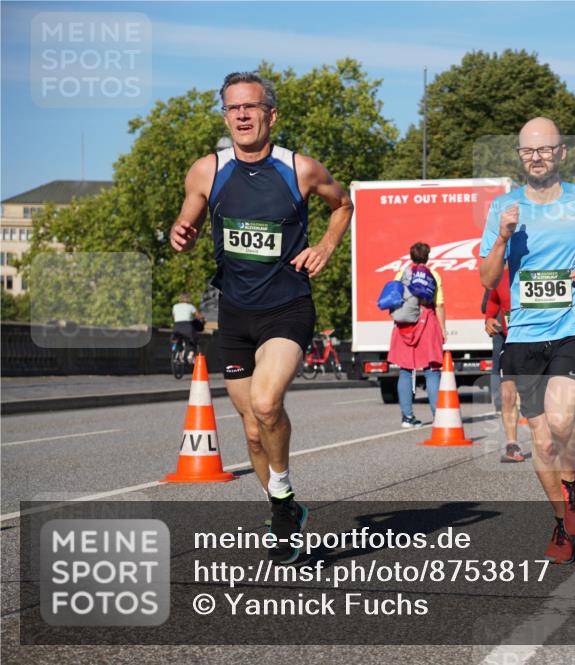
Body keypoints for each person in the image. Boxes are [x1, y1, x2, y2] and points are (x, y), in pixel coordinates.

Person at [170, 71, 352, 563]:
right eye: (233, 108)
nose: (242, 116)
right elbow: (188, 219)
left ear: (271, 114)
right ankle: (283, 508)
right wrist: (181, 232)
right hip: (234, 314)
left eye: (250, 107)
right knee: (252, 428)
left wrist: (325, 246)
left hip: (287, 306)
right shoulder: (207, 170)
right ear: (225, 116)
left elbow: (343, 205)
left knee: (267, 403)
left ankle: (283, 491)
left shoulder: (300, 168)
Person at [480, 117, 575, 564]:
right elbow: (487, 278)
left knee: (562, 420)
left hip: (573, 326)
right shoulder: (503, 207)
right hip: (523, 334)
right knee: (542, 444)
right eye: (528, 151)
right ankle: (563, 523)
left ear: (561, 152)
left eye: (545, 149)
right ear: (519, 156)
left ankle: (574, 482)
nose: (536, 157)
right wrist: (503, 238)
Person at [390, 242, 446, 428]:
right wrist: (443, 329)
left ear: (411, 256)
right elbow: (439, 305)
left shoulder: (401, 274)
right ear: (427, 257)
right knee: (432, 370)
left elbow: (395, 298)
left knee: (405, 370)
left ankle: (407, 417)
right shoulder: (434, 275)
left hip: (405, 323)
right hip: (427, 321)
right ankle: (438, 416)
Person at [484, 270, 524, 462]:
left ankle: (548, 441)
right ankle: (512, 445)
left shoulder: (540, 269)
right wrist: (489, 318)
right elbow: (493, 301)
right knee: (508, 394)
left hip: (538, 340)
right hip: (508, 339)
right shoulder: (501, 275)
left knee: (538, 397)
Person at [171, 292, 204, 362]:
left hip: (176, 326)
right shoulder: (190, 306)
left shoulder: (175, 306)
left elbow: (174, 317)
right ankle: (190, 355)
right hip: (187, 326)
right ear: (188, 299)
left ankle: (179, 355)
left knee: (178, 339)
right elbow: (198, 316)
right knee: (194, 340)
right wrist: (202, 318)